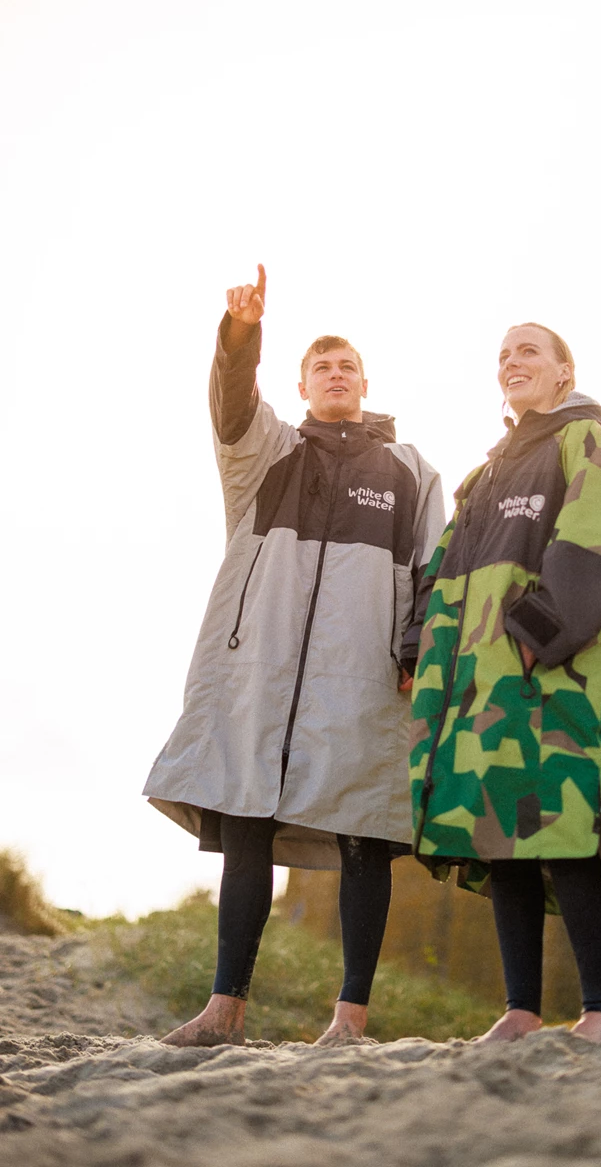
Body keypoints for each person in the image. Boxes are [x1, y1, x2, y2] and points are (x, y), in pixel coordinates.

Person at [144, 264, 444, 1047]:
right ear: (303, 385)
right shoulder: (266, 452)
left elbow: (433, 567)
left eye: (347, 367)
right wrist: (240, 335)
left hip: (365, 681)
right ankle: (225, 1009)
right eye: (322, 368)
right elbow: (231, 402)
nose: (335, 376)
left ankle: (349, 1019)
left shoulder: (411, 469)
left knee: (363, 838)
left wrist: (413, 649)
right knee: (244, 828)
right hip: (257, 675)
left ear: (366, 383)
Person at [409, 322, 601, 1043]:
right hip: (478, 688)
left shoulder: (582, 441)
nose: (513, 362)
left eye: (529, 352)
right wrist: (415, 648)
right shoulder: (480, 479)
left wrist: (539, 634)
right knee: (498, 830)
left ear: (562, 373)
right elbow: (443, 573)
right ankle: (521, 1010)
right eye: (503, 355)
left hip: (556, 674)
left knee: (565, 829)